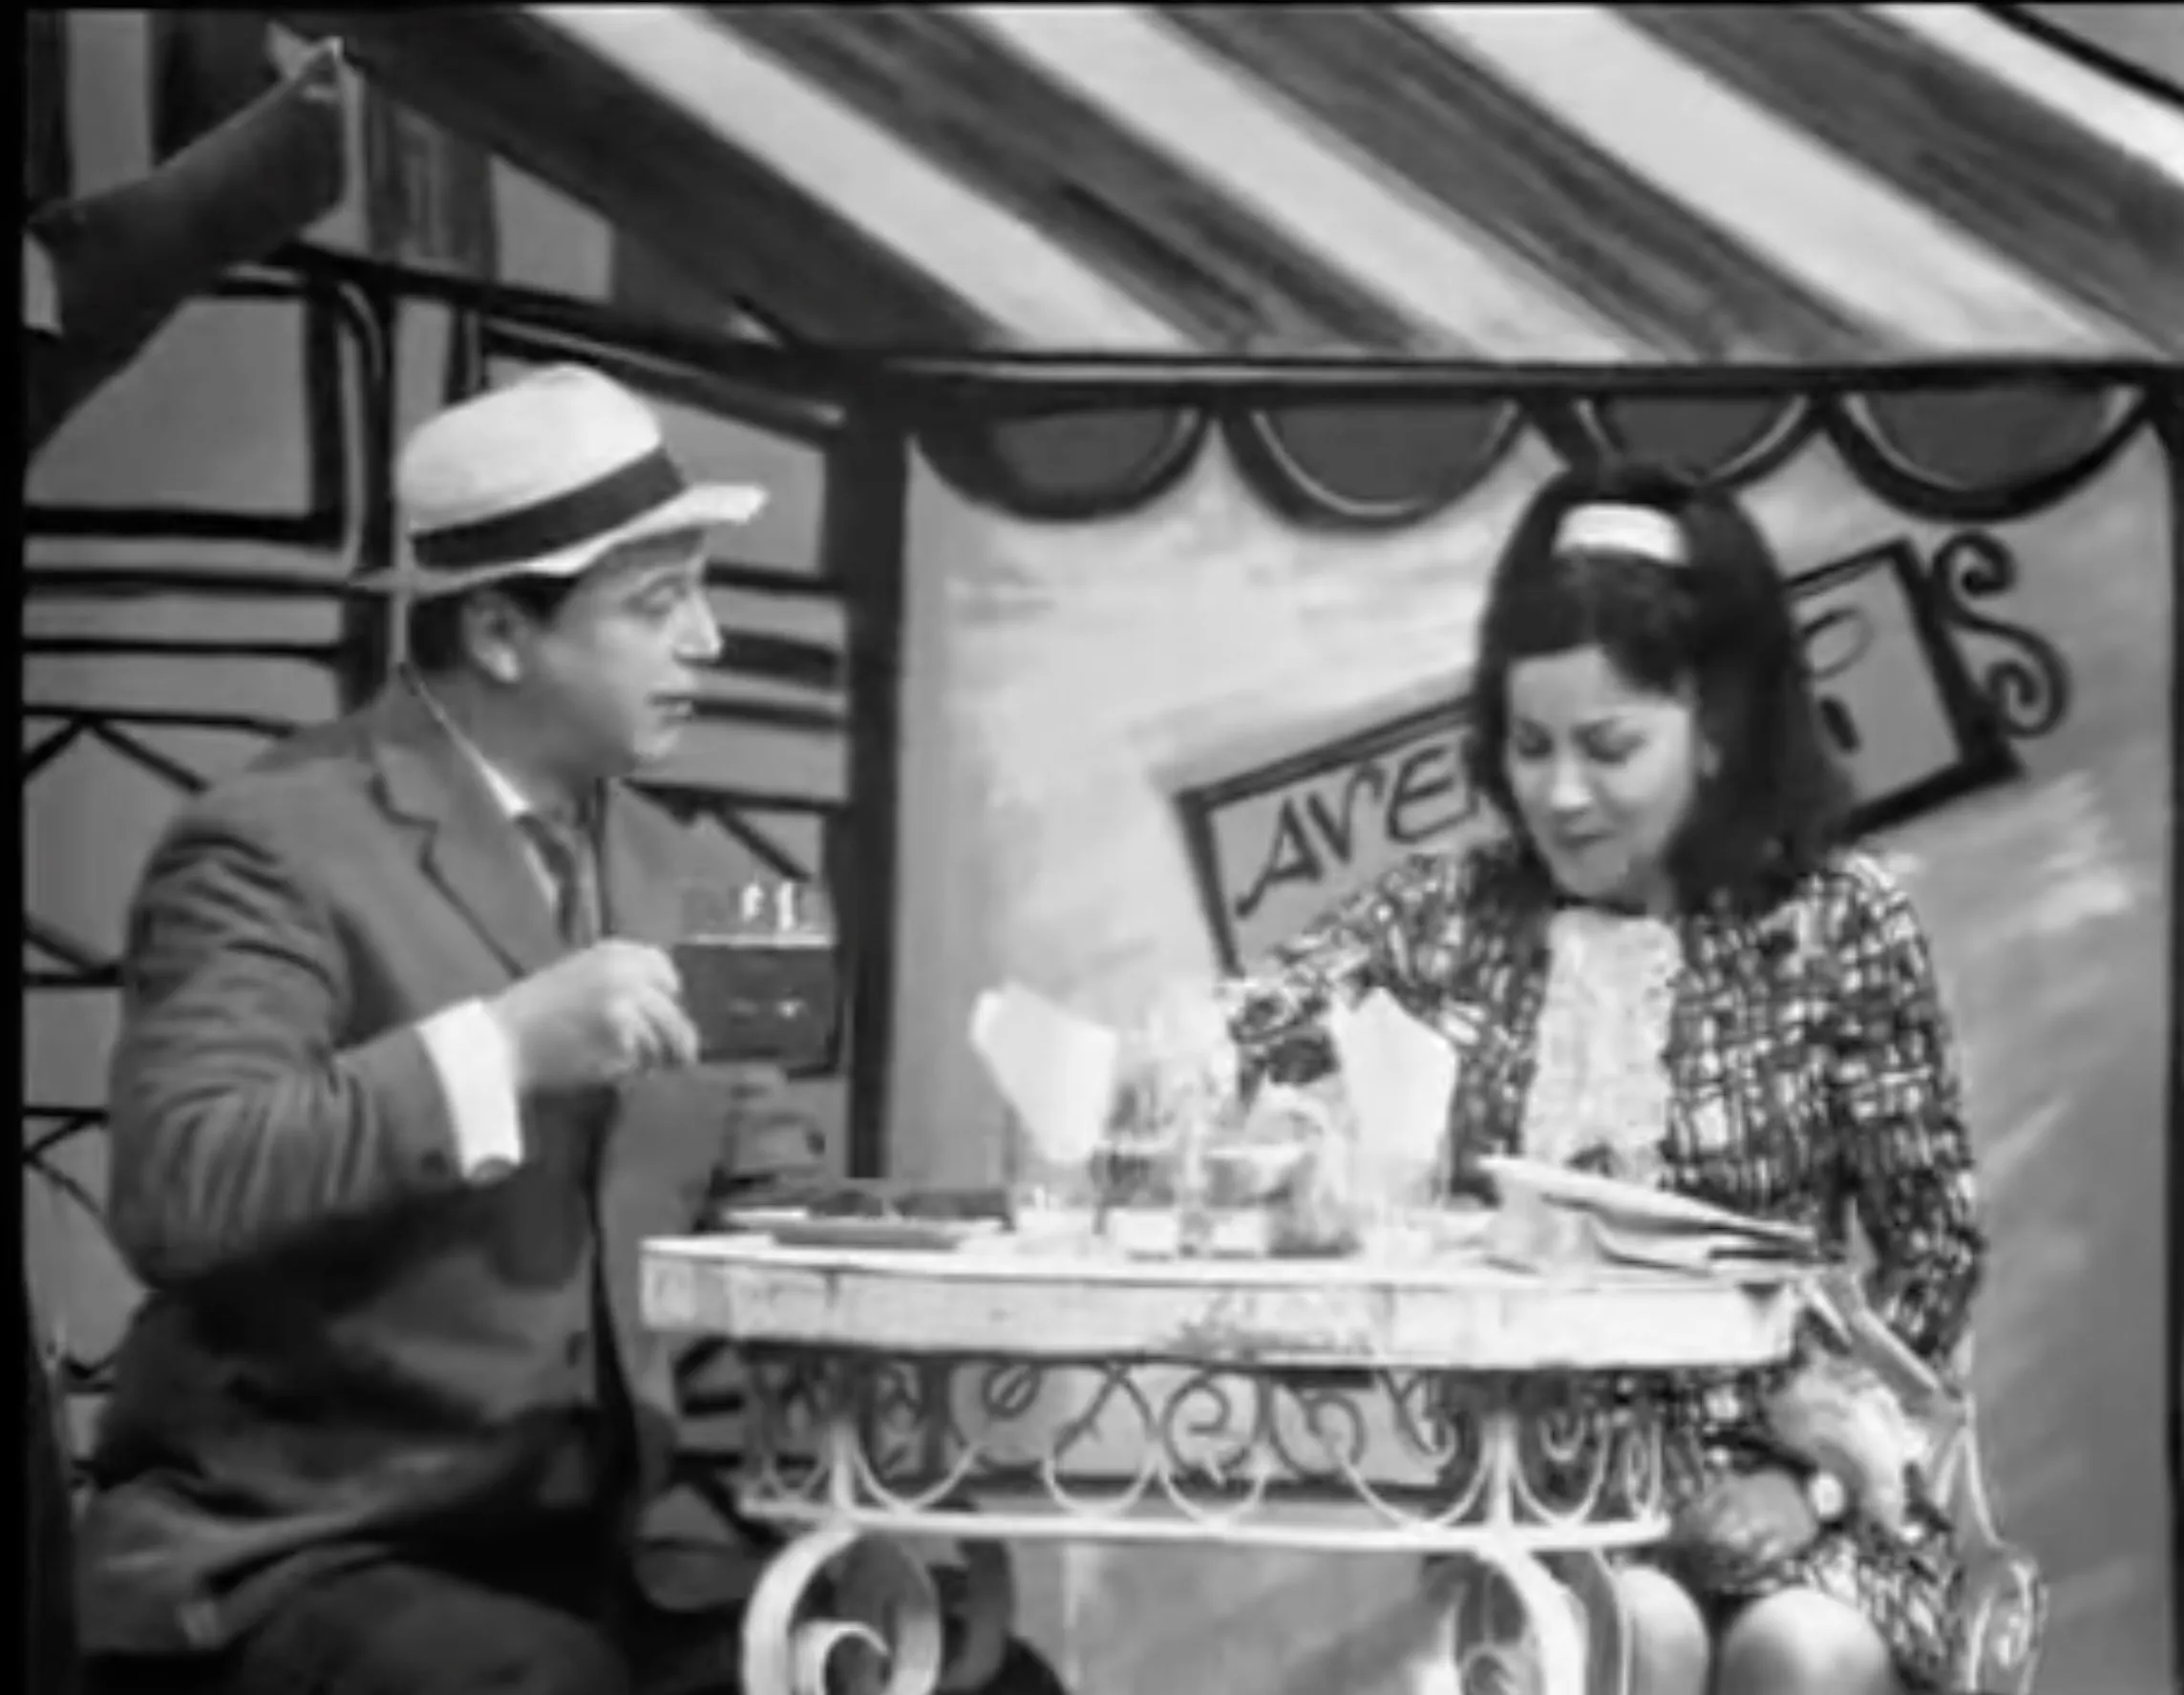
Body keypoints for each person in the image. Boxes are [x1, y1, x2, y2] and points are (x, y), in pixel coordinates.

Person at [75, 365, 1061, 1695]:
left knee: (985, 1680)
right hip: (312, 1546)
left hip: (613, 1556)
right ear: (499, 632)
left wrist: (1011, 1222)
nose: (708, 640)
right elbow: (180, 1183)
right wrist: (500, 1048)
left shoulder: (675, 869)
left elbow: (761, 1205)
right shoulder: (272, 847)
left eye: (700, 594)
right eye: (658, 605)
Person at [1215, 462, 1985, 1695]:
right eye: (1531, 746)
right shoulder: (1449, 916)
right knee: (1633, 1628)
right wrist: (1288, 1133)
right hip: (1539, 1496)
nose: (1560, 793)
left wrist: (1814, 1480)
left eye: (1610, 747)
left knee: (1802, 1651)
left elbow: (1934, 1250)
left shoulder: (1840, 920)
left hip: (1809, 1492)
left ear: (1717, 728)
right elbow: (1233, 1042)